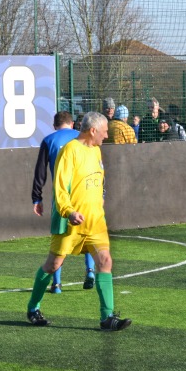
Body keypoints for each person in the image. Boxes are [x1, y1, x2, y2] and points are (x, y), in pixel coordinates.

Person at [26, 112, 131, 331]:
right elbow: (60, 189)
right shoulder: (69, 151)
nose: (105, 136)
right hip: (71, 221)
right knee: (53, 264)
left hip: (95, 221)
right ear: (92, 130)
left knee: (105, 260)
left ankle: (107, 317)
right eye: (104, 132)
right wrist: (69, 212)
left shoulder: (96, 150)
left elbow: (99, 180)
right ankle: (33, 308)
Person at [31, 111, 96, 293]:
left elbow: (40, 173)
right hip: (85, 196)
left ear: (54, 126)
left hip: (62, 198)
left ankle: (57, 284)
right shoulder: (82, 138)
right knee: (87, 235)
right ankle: (90, 271)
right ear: (73, 124)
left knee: (59, 239)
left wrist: (37, 197)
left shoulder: (49, 140)